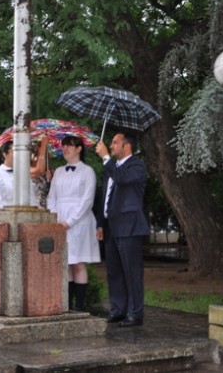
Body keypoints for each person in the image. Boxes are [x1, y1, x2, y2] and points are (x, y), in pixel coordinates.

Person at [95, 133, 149, 327]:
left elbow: (123, 180)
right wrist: (100, 223)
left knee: (132, 271)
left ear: (127, 146)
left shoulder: (136, 165)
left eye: (115, 142)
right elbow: (105, 197)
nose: (111, 145)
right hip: (111, 228)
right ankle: (118, 309)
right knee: (114, 272)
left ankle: (135, 313)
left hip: (129, 227)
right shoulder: (112, 168)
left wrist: (105, 158)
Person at [47, 136, 100, 311]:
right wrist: (55, 218)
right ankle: (67, 304)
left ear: (79, 149)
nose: (65, 149)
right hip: (60, 221)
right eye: (63, 146)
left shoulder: (87, 171)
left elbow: (87, 200)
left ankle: (80, 305)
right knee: (66, 261)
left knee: (78, 262)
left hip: (80, 221)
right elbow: (52, 197)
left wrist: (70, 221)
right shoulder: (59, 171)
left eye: (69, 145)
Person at [0, 138, 46, 209]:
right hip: (7, 217)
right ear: (5, 154)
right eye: (15, 151)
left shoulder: (24, 172)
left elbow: (33, 199)